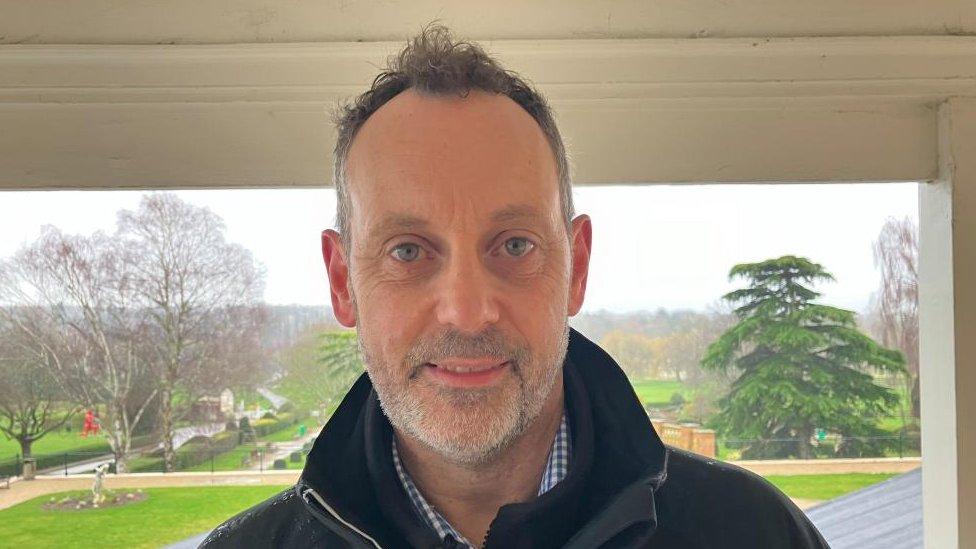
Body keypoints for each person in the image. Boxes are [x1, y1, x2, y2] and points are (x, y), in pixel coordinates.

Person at [202, 25, 828, 548]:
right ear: (343, 282)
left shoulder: (756, 534)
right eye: (409, 251)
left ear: (576, 267)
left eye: (515, 245)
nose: (468, 312)